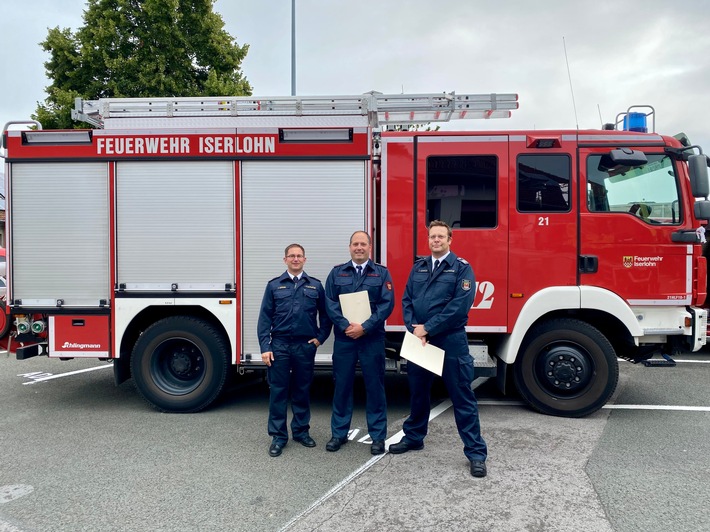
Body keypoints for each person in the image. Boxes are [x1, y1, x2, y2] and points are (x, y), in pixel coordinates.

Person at [390, 220, 488, 478]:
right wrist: (414, 329)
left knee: (462, 397)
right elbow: (407, 299)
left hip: (450, 340)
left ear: (449, 240)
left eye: (440, 237)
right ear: (428, 239)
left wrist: (428, 328)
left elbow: (459, 307)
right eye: (432, 236)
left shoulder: (461, 269)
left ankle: (476, 453)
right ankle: (414, 437)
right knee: (418, 393)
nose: (436, 240)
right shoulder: (419, 267)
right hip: (420, 339)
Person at [258, 244, 332, 458]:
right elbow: (264, 319)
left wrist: (319, 339)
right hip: (279, 345)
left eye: (299, 256)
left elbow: (326, 317)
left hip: (304, 346)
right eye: (292, 256)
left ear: (305, 259)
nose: (296, 259)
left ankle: (300, 431)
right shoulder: (274, 286)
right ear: (285, 260)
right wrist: (265, 347)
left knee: (301, 390)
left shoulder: (315, 286)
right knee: (278, 392)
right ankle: (278, 437)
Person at [324, 231, 394, 455]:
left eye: (363, 244)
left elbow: (386, 305)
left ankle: (377, 436)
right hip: (345, 339)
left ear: (370, 247)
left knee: (375, 387)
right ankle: (339, 434)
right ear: (349, 247)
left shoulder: (381, 273)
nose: (359, 247)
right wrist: (347, 326)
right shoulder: (337, 273)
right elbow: (330, 304)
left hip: (372, 338)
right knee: (342, 386)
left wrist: (364, 327)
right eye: (355, 244)